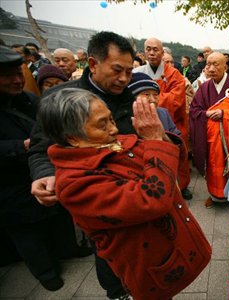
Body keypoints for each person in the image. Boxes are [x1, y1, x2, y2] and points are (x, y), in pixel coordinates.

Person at [39, 88, 211, 299]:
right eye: (102, 125)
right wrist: (155, 141)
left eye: (111, 119)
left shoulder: (113, 142)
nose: (113, 129)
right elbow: (152, 200)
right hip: (152, 266)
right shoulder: (74, 185)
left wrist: (159, 138)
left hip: (179, 245)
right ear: (73, 138)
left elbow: (174, 173)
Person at [29, 31, 138, 300]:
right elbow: (40, 148)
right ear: (92, 63)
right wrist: (44, 174)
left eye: (129, 71)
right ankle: (116, 293)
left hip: (134, 195)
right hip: (97, 201)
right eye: (117, 70)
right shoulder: (60, 100)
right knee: (108, 254)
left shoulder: (131, 95)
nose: (124, 78)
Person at [0, 46, 89, 292]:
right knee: (27, 233)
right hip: (10, 186)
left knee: (59, 218)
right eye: (8, 76)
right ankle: (46, 272)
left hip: (48, 171)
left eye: (19, 74)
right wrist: (20, 147)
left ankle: (70, 249)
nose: (18, 80)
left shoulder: (29, 99)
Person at [134, 37, 192, 200]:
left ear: (162, 52)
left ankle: (182, 185)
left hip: (170, 119)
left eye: (155, 49)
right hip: (144, 117)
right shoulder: (137, 72)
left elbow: (177, 98)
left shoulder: (173, 74)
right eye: (148, 49)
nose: (152, 53)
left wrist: (149, 100)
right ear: (144, 51)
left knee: (179, 152)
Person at [190, 52, 229, 208]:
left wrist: (225, 114)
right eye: (208, 64)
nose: (211, 68)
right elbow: (194, 110)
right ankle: (215, 196)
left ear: (225, 67)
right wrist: (206, 113)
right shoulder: (204, 88)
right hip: (209, 137)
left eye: (216, 64)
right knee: (212, 167)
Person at [128, 72, 182, 136]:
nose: (153, 100)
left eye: (155, 95)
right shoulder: (127, 117)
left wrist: (163, 136)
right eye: (146, 94)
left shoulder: (164, 113)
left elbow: (177, 139)